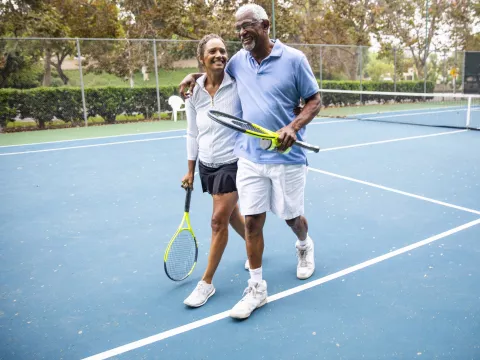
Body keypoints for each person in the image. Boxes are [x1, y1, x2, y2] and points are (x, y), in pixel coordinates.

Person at [179, 4, 322, 319]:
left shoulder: (295, 60)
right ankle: (257, 288)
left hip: (288, 158)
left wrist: (293, 127)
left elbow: (315, 100)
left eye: (247, 26)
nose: (242, 32)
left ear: (265, 24)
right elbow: (214, 72)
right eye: (238, 28)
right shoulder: (237, 62)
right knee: (253, 222)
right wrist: (195, 75)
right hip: (249, 157)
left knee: (291, 218)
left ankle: (304, 244)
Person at [181, 34, 249, 308]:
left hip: (233, 161)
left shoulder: (238, 82)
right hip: (207, 165)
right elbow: (192, 132)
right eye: (213, 51)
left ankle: (206, 283)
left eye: (223, 50)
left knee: (217, 221)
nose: (220, 55)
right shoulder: (192, 91)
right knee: (231, 215)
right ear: (202, 58)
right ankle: (253, 242)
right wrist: (190, 170)